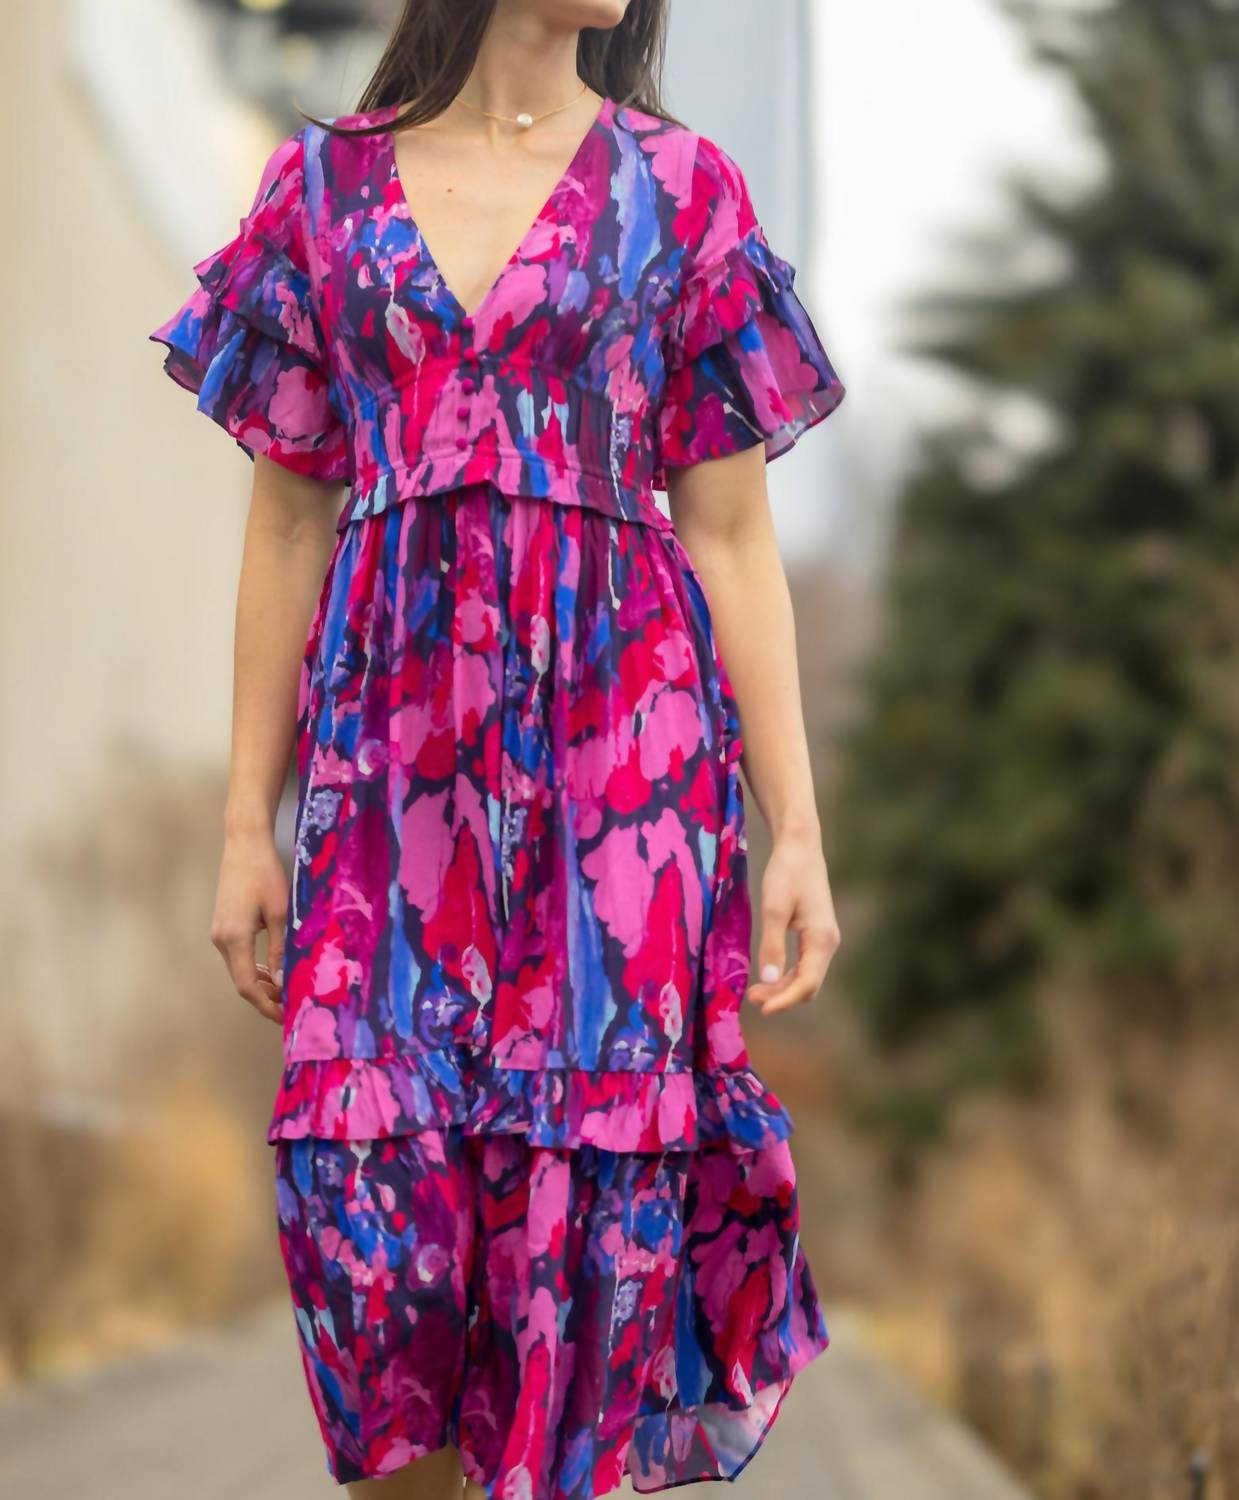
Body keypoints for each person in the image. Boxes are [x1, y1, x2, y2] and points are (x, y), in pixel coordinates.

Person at [148, 1, 846, 1495]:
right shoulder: (322, 191)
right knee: (375, 1242)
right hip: (386, 781)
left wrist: (796, 829)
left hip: (625, 775)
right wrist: (243, 822)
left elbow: (731, 534)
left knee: (581, 1244)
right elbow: (289, 522)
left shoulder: (684, 193)